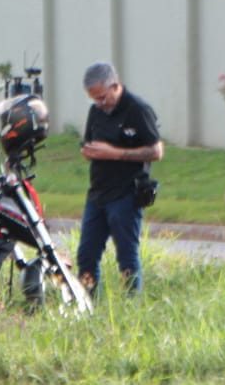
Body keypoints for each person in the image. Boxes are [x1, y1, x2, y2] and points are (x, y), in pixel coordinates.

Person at [77, 62, 163, 295]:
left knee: (126, 256)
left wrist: (114, 153)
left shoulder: (138, 109)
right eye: (94, 99)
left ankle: (130, 304)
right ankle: (86, 303)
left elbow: (156, 151)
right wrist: (89, 151)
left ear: (115, 86)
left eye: (102, 97)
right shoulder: (96, 111)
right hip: (98, 192)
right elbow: (88, 142)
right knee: (86, 255)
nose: (99, 103)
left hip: (127, 193)